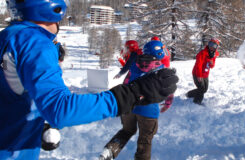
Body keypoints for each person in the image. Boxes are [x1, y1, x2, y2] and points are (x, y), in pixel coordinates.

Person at [0, 1, 178, 159]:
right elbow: (60, 109)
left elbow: (10, 95)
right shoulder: (34, 42)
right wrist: (132, 94)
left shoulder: (8, 37)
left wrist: (37, 126)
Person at [100, 41, 174, 160]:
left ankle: (109, 150)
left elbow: (126, 83)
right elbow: (168, 90)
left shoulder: (135, 65)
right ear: (159, 52)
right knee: (145, 139)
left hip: (129, 106)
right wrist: (168, 103)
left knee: (127, 130)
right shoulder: (162, 69)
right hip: (148, 110)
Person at [186, 38, 220, 104]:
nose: (211, 46)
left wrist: (211, 63)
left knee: (205, 89)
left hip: (205, 74)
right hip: (197, 73)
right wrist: (199, 76)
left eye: (214, 45)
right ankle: (197, 102)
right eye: (210, 44)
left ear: (216, 47)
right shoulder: (202, 53)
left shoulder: (214, 55)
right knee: (201, 89)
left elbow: (212, 66)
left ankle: (189, 94)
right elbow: (198, 65)